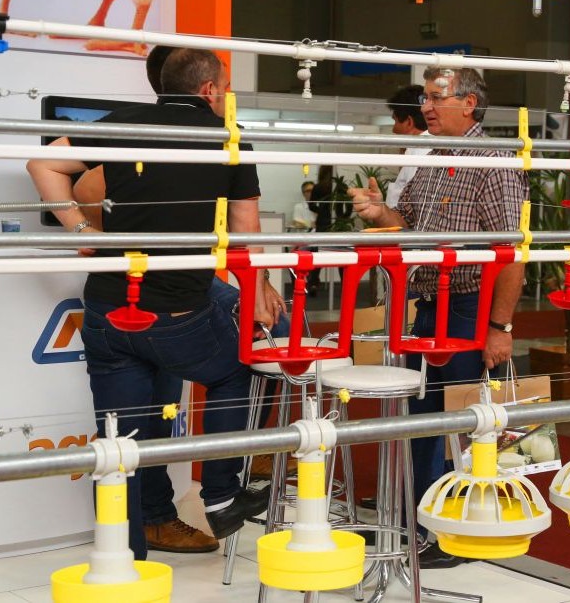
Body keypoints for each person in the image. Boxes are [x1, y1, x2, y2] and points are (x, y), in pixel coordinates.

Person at [27, 48, 285, 561]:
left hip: (108, 312)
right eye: (225, 87)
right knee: (236, 369)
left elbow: (42, 164)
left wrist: (80, 231)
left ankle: (122, 561)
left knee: (120, 440)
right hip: (176, 314)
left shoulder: (122, 123)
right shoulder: (227, 138)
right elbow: (246, 233)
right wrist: (256, 296)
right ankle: (222, 494)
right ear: (209, 89)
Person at [347, 66, 528, 566]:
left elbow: (513, 251)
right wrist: (381, 213)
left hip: (470, 306)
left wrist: (500, 327)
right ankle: (418, 525)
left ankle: (456, 534)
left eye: (435, 97)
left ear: (469, 103)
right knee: (423, 418)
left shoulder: (494, 163)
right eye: (425, 97)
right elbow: (407, 223)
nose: (425, 106)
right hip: (428, 304)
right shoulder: (430, 157)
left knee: (463, 421)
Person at [306, 165, 351, 294]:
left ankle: (313, 284)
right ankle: (345, 286)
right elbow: (349, 205)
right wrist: (344, 217)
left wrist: (321, 211)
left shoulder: (318, 187)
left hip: (323, 223)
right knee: (341, 255)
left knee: (318, 254)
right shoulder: (341, 186)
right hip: (338, 223)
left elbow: (311, 205)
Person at [384, 84, 430, 209]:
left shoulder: (418, 155)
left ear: (409, 122)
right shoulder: (418, 151)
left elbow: (413, 210)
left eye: (395, 121)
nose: (393, 129)